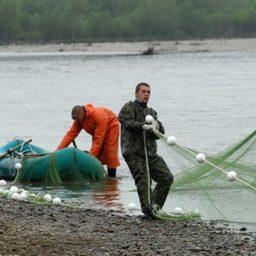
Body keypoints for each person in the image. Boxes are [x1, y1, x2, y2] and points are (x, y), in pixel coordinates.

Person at [118, 82, 173, 218]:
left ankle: (154, 207)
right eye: (143, 91)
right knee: (144, 180)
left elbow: (158, 135)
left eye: (148, 92)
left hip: (150, 153)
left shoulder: (152, 112)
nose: (146, 94)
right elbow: (126, 122)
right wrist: (143, 126)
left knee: (166, 177)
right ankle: (148, 210)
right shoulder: (129, 107)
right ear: (136, 93)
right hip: (133, 153)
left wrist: (157, 127)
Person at [57, 104, 120, 177]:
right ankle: (100, 174)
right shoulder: (79, 120)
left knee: (110, 150)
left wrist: (91, 156)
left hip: (111, 125)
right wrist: (58, 151)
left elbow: (98, 138)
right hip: (98, 130)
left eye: (77, 119)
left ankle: (112, 177)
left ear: (81, 114)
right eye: (74, 119)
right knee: (98, 152)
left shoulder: (98, 116)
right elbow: (70, 135)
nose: (76, 121)